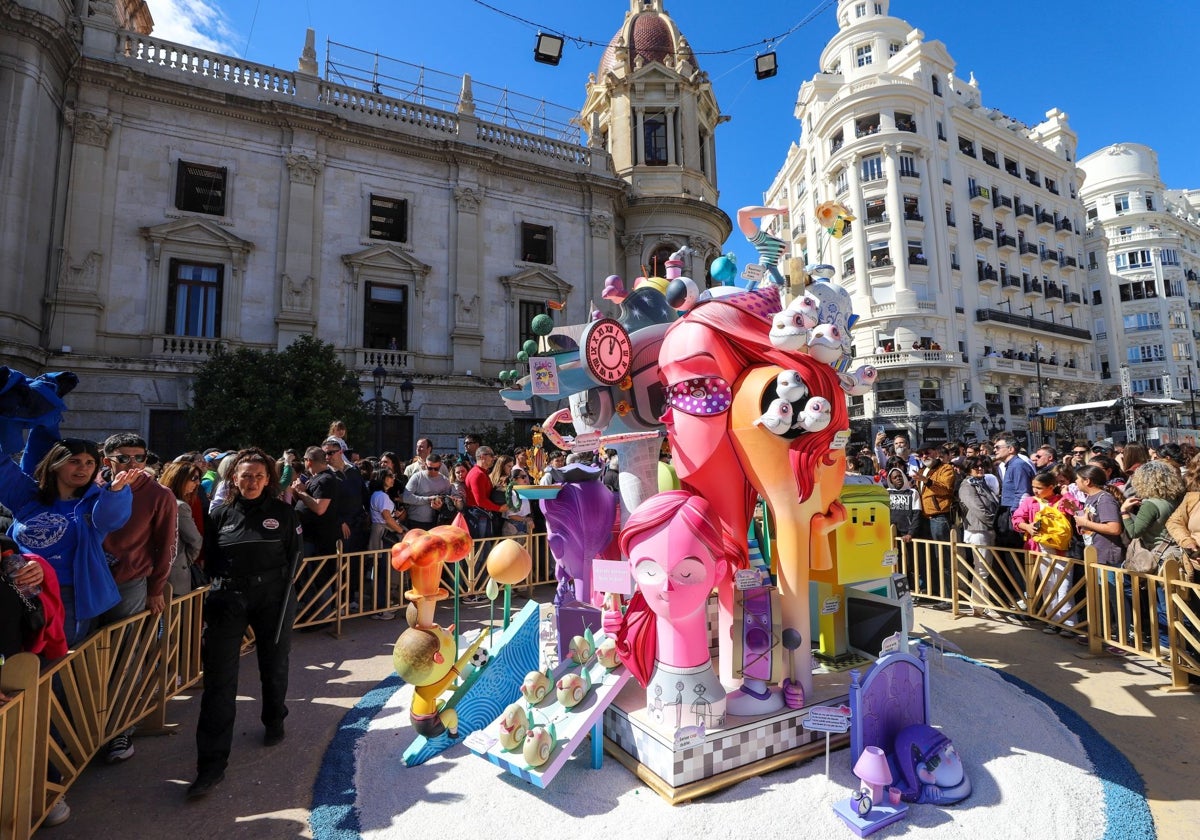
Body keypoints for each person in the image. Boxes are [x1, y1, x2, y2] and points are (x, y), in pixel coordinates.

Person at [190, 448, 301, 800]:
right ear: (233, 478)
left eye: (258, 475)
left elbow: (295, 555)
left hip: (273, 597)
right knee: (220, 681)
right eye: (245, 475)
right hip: (228, 599)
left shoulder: (283, 513)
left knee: (274, 662)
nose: (251, 481)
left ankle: (274, 719)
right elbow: (209, 557)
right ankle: (210, 766)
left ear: (268, 479)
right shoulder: (220, 515)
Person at [0, 433, 133, 646]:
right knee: (18, 660)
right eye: (74, 462)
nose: (83, 468)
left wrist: (117, 491)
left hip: (68, 597)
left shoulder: (96, 502)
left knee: (56, 664)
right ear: (55, 464)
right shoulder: (27, 496)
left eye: (90, 463)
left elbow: (111, 519)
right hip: (18, 591)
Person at [95, 432, 179, 764]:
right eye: (124, 458)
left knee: (125, 656)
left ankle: (120, 731)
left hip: (129, 584)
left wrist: (156, 588)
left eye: (139, 458)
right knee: (83, 657)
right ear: (107, 461)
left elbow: (166, 545)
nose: (133, 465)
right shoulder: (91, 487)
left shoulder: (160, 495)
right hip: (87, 583)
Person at [1072, 464, 1125, 645]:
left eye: (1078, 479)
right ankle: (1101, 634)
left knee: (1113, 598)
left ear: (1087, 481)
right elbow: (1090, 523)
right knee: (1099, 597)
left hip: (1107, 555)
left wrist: (1086, 523)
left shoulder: (1104, 499)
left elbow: (1114, 527)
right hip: (1095, 554)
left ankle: (1122, 638)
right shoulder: (1090, 498)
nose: (1075, 482)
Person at [957, 456, 1001, 618]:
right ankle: (985, 605)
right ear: (968, 469)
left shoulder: (983, 483)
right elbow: (978, 509)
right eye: (976, 466)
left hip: (986, 530)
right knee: (982, 569)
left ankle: (978, 605)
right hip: (977, 531)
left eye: (982, 466)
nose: (980, 468)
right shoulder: (966, 486)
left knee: (983, 570)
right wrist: (994, 522)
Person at [913, 447, 957, 605]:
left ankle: (949, 598)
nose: (924, 456)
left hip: (939, 518)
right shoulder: (922, 470)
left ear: (936, 453)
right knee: (931, 559)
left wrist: (927, 481)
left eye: (928, 452)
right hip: (925, 518)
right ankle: (937, 593)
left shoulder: (946, 468)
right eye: (921, 454)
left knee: (944, 559)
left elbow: (946, 489)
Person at [159, 461, 204, 599]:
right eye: (194, 478)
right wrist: (185, 561)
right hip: (174, 578)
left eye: (199, 479)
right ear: (179, 478)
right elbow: (195, 540)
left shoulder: (158, 500)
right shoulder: (180, 506)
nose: (197, 483)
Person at [366, 468, 405, 621]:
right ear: (381, 478)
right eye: (389, 476)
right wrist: (401, 530)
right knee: (382, 572)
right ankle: (380, 608)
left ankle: (379, 606)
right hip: (383, 535)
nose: (392, 478)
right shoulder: (381, 495)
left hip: (379, 533)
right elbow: (387, 518)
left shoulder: (378, 495)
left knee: (380, 572)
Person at [402, 452, 454, 530]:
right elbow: (406, 497)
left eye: (436, 469)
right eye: (430, 468)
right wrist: (428, 499)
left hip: (436, 522)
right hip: (416, 521)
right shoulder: (417, 477)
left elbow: (449, 503)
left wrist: (440, 504)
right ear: (425, 465)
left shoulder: (445, 481)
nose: (433, 471)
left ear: (440, 466)